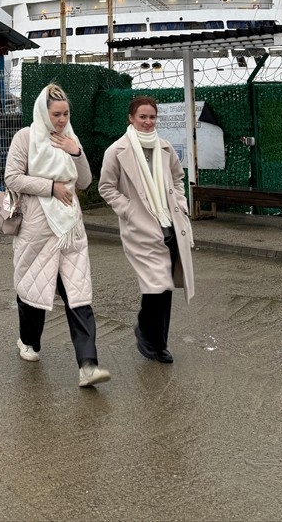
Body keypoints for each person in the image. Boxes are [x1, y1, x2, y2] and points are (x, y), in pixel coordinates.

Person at [5, 82, 111, 388]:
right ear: (44, 112)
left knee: (79, 296)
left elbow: (85, 182)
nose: (62, 120)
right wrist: (51, 187)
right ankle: (28, 340)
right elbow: (12, 178)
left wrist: (76, 151)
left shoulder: (70, 138)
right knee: (33, 294)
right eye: (56, 114)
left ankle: (88, 365)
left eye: (65, 114)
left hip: (70, 230)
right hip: (37, 231)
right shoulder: (25, 137)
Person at [98, 95, 196, 364]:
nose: (148, 122)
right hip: (140, 228)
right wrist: (129, 210)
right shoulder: (117, 150)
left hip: (169, 226)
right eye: (142, 116)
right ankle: (151, 340)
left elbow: (177, 177)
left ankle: (156, 339)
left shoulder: (164, 147)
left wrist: (180, 204)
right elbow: (106, 187)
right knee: (157, 284)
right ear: (131, 118)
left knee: (165, 287)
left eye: (152, 117)